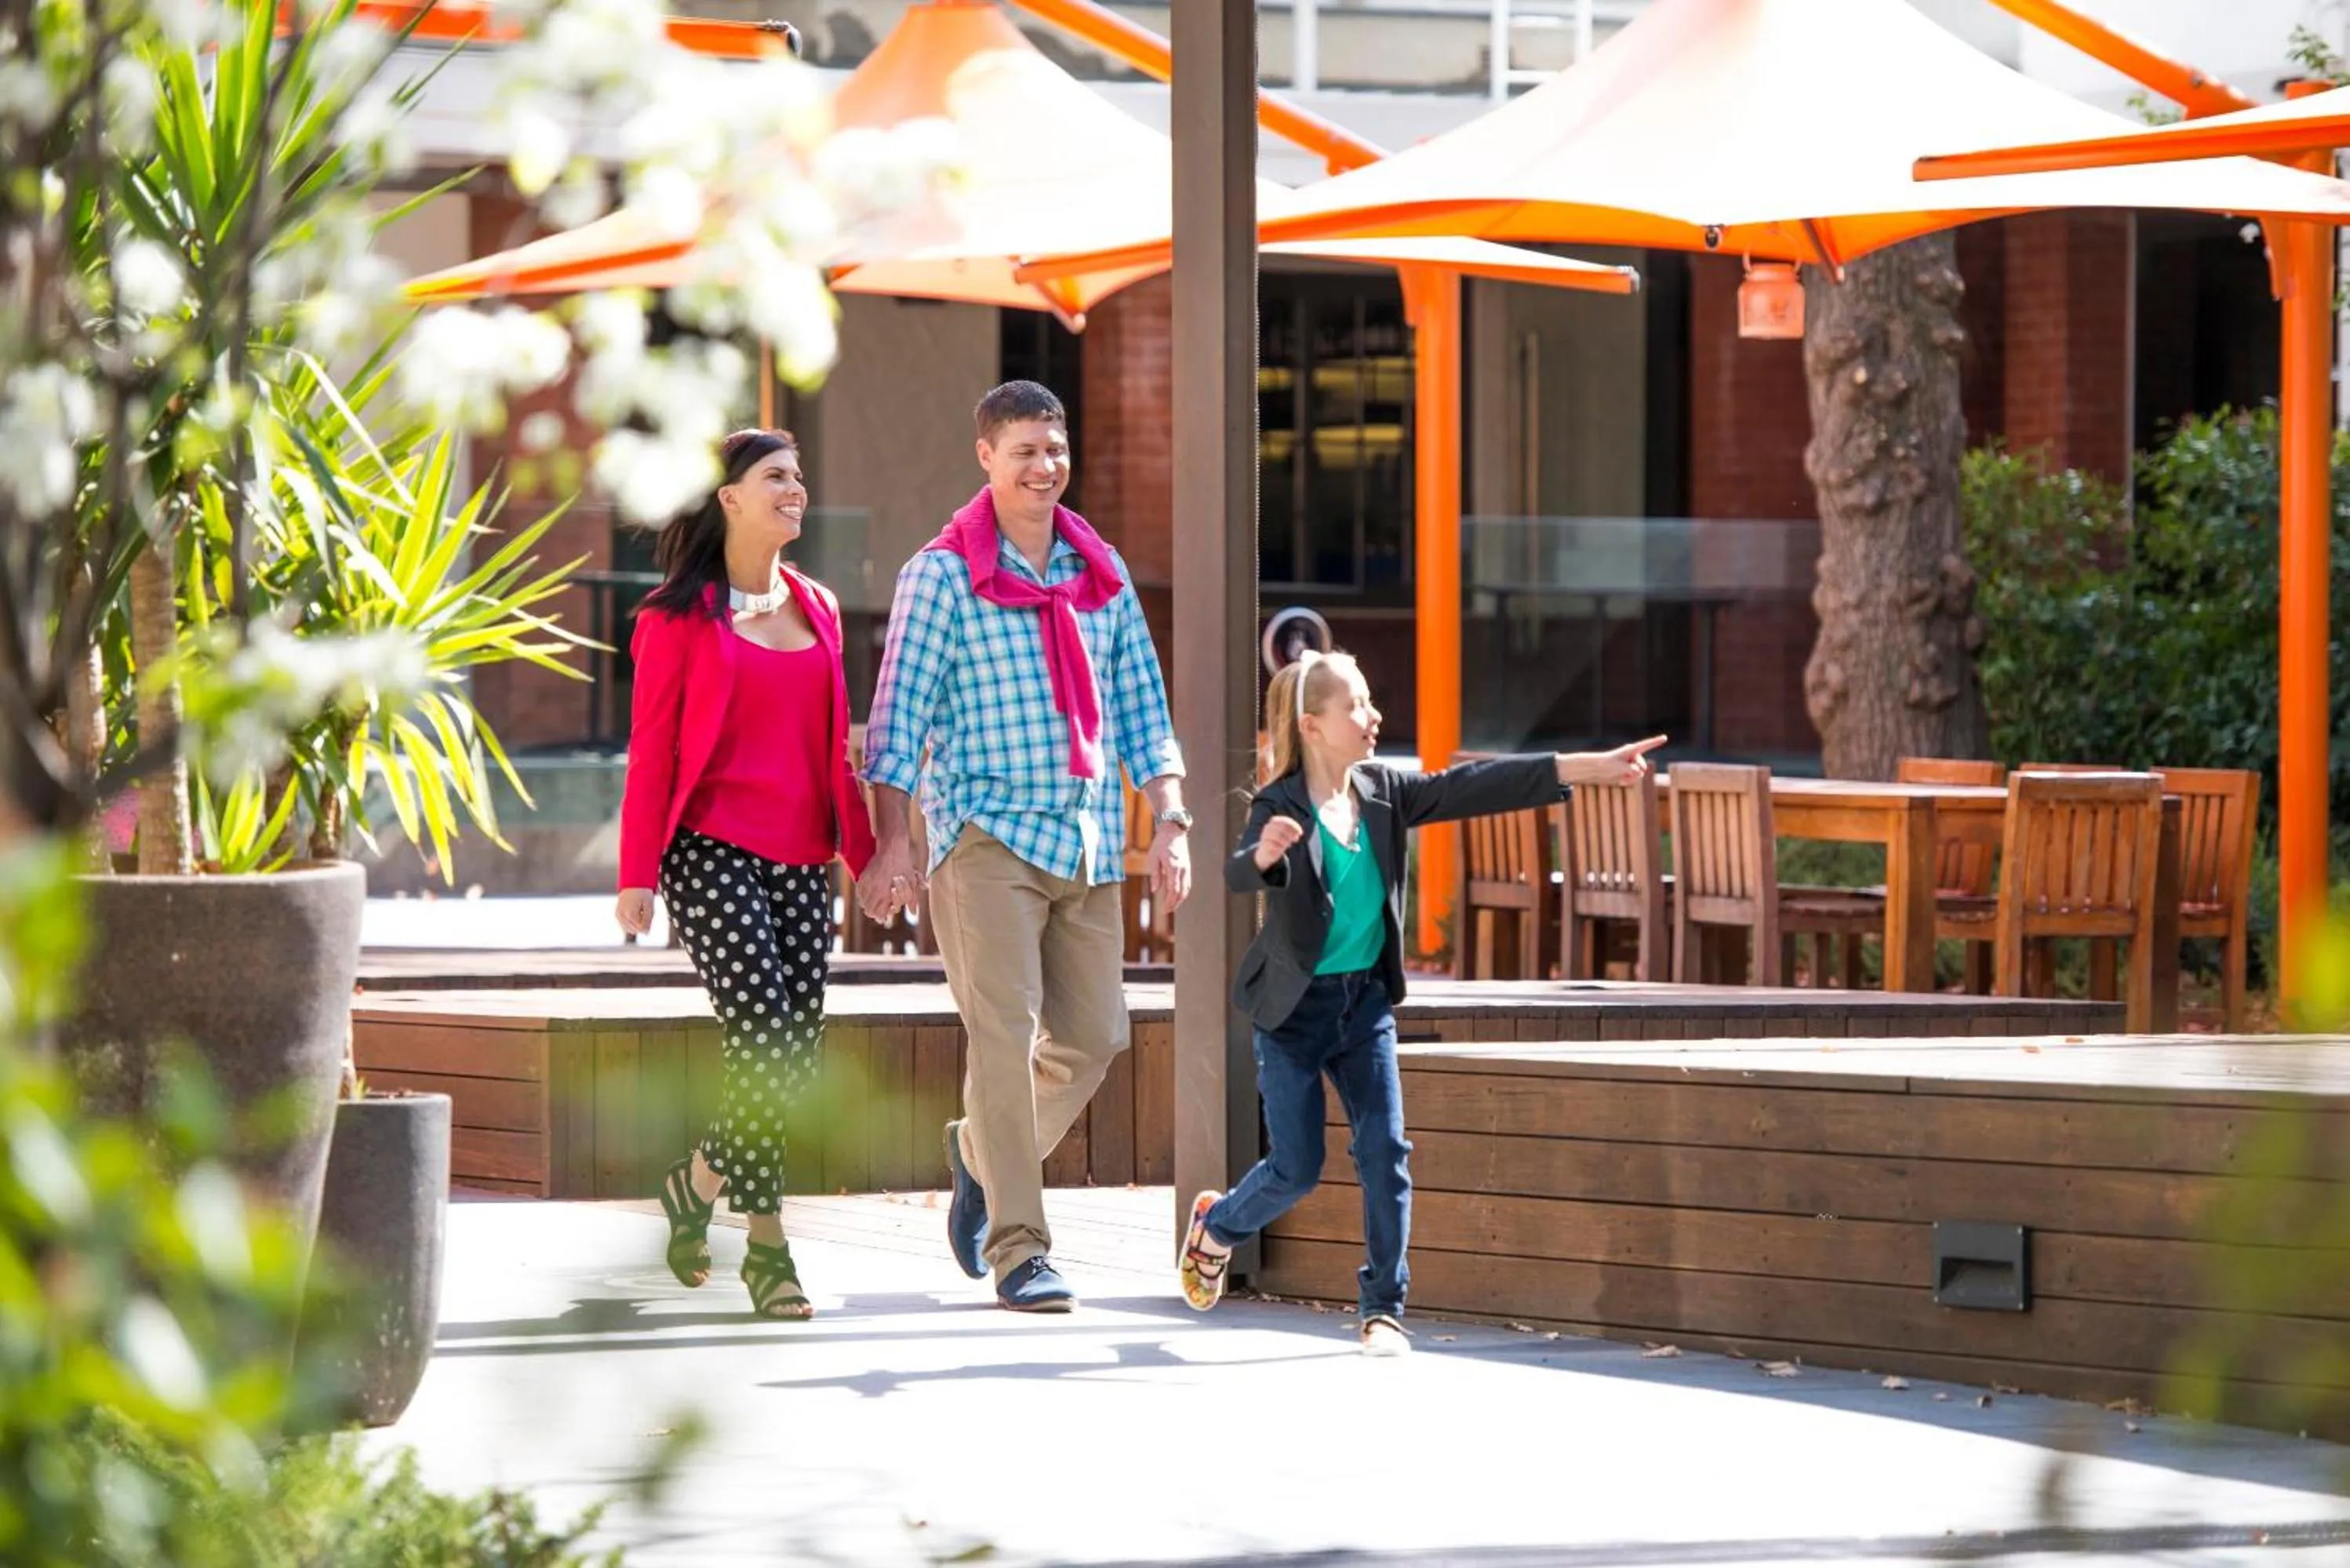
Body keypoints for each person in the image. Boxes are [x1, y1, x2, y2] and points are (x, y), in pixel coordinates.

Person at [1180, 649, 1664, 1354]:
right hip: (1292, 1013)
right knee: (1297, 1167)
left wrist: (1590, 766)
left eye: (1370, 701)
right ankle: (1218, 1225)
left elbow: (1476, 784)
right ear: (1313, 726)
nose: (1372, 717)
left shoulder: (1383, 791)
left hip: (1364, 1005)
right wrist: (1264, 856)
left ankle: (1382, 1307)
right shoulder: (1279, 804)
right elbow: (1239, 870)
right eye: (1356, 706)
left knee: (1385, 1152)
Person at [860, 380, 1189, 1313]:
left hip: (1082, 836)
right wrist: (893, 844)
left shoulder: (1099, 570)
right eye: (1025, 452)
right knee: (1000, 1042)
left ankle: (977, 1153)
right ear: (985, 459)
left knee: (1094, 1038)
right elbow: (896, 722)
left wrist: (1169, 817)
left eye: (1054, 449)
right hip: (983, 836)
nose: (1045, 467)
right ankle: (1019, 1248)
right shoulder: (941, 574)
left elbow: (1141, 709)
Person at [616, 427, 878, 1321]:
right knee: (765, 1031)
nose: (795, 489)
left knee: (788, 1054)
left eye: (799, 476)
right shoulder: (672, 619)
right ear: (728, 498)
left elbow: (836, 751)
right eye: (775, 477)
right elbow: (650, 751)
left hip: (803, 854)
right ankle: (768, 1250)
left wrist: (867, 856)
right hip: (709, 847)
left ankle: (695, 1181)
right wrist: (635, 874)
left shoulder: (821, 606)